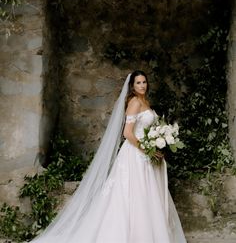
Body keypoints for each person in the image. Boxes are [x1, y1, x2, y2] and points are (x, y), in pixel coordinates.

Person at [30, 70, 187, 243]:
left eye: (144, 82)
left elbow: (147, 130)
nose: (142, 85)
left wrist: (159, 141)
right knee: (133, 195)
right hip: (135, 154)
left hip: (145, 153)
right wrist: (148, 149)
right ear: (132, 86)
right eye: (138, 83)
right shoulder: (134, 102)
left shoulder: (145, 101)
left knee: (147, 194)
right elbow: (127, 133)